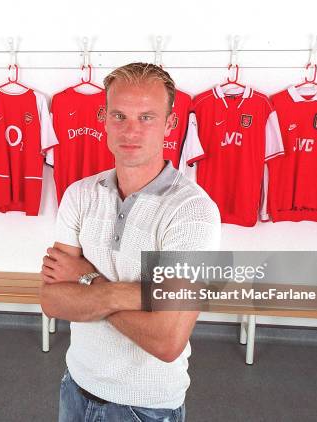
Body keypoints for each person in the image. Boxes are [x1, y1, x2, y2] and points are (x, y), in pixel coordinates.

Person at [40, 62, 221, 422]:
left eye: (147, 117)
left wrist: (89, 280)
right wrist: (143, 293)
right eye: (119, 116)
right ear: (104, 118)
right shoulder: (80, 195)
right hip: (75, 385)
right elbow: (51, 300)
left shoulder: (192, 211)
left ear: (171, 124)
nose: (130, 131)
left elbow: (167, 341)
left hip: (145, 406)